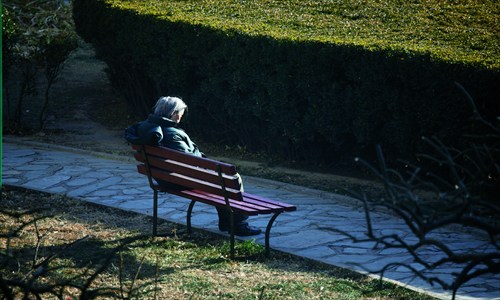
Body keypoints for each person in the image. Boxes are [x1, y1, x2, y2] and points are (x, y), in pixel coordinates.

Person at [128, 96, 261, 236]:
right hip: (181, 180)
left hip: (163, 177)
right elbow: (189, 161)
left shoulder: (145, 127)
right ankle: (239, 224)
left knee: (220, 182)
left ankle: (227, 222)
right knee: (231, 178)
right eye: (180, 113)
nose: (181, 116)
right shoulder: (172, 134)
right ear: (174, 113)